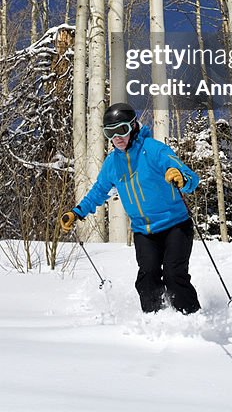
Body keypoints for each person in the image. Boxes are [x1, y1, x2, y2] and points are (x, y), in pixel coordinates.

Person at [59, 102, 201, 315]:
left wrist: (182, 177)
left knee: (174, 275)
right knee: (147, 278)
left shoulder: (153, 150)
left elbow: (190, 177)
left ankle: (192, 319)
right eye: (110, 133)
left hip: (176, 225)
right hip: (144, 232)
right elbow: (99, 191)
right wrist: (77, 212)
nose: (117, 137)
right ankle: (155, 321)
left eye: (122, 130)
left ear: (133, 127)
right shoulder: (112, 164)